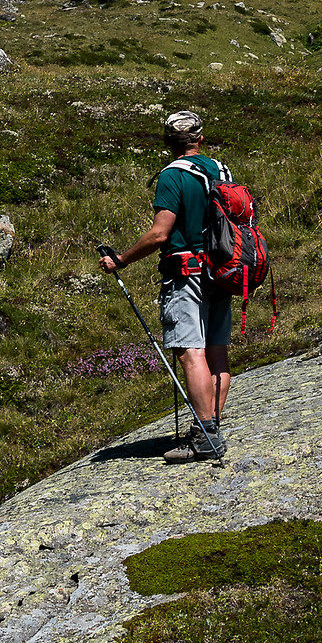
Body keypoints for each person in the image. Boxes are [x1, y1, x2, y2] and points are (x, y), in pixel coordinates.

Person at [97, 110, 232, 462]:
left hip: (187, 274)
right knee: (217, 353)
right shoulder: (220, 171)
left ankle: (205, 435)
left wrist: (121, 259)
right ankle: (210, 429)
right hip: (222, 271)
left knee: (191, 352)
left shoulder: (173, 175)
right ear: (200, 138)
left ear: (168, 141)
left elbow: (160, 234)